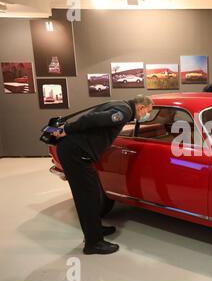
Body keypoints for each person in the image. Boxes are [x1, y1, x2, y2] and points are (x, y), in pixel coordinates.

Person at [52, 95, 153, 255]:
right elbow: (93, 119)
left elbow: (95, 119)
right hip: (75, 152)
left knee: (91, 195)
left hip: (76, 151)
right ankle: (93, 243)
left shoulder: (121, 104)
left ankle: (95, 230)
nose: (146, 116)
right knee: (86, 197)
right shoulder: (125, 112)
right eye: (147, 112)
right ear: (140, 107)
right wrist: (66, 130)